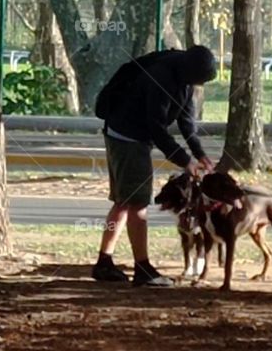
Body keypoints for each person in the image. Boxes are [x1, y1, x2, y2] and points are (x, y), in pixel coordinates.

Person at [92, 44, 217, 287]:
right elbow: (157, 129)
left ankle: (103, 262)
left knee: (123, 202)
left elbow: (186, 122)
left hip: (129, 134)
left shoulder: (185, 78)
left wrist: (200, 154)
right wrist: (186, 162)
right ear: (190, 72)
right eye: (198, 80)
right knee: (137, 202)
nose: (198, 86)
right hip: (128, 136)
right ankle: (143, 269)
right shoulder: (161, 77)